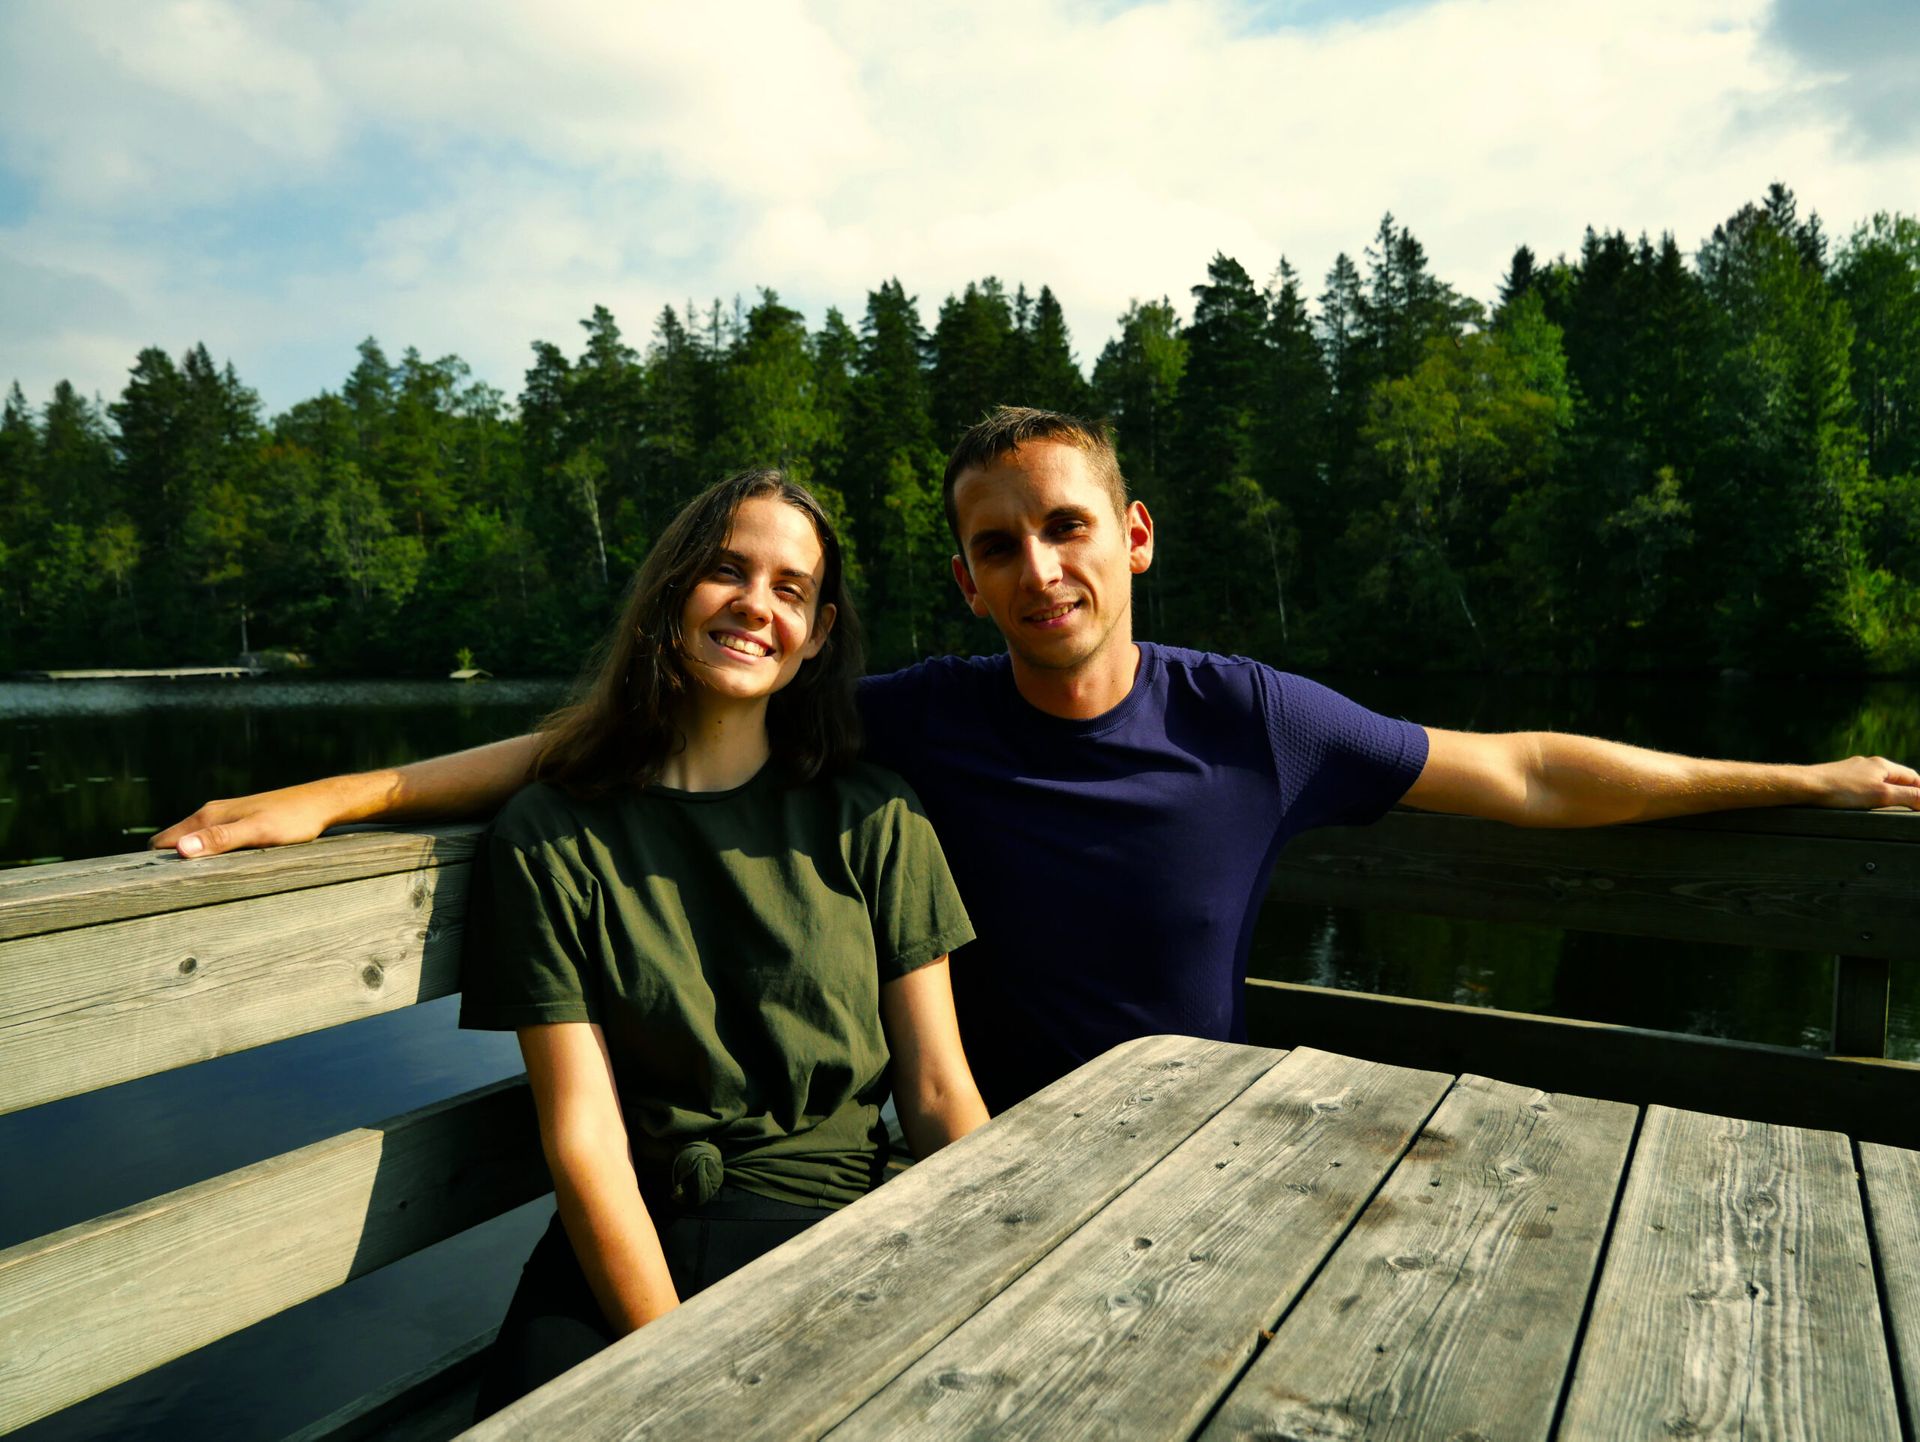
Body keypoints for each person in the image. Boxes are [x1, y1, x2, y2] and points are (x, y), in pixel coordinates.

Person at [155, 408, 1920, 1116]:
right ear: (965, 575)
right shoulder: (914, 716)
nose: (1038, 570)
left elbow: (1529, 773)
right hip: (966, 1150)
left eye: (1066, 529)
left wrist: (1800, 782)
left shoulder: (1252, 716)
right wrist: (335, 795)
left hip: (1194, 1137)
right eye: (998, 546)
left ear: (1133, 536)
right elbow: (614, 736)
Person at [453, 468, 987, 1415]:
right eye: (727, 572)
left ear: (818, 634)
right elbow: (584, 1136)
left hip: (835, 1228)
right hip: (629, 1233)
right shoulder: (550, 835)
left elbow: (939, 1092)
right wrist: (676, 1366)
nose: (754, 605)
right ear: (672, 592)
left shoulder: (876, 819)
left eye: (791, 589)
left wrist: (1005, 1268)